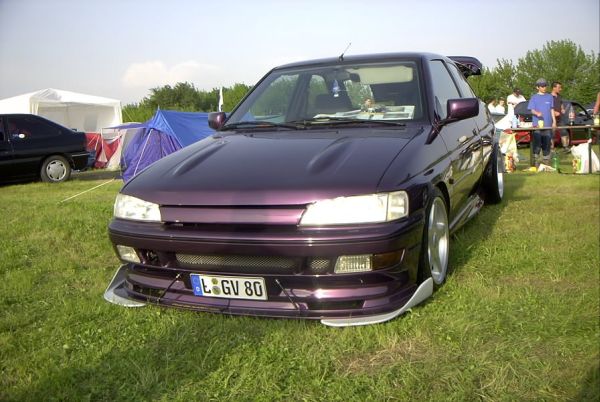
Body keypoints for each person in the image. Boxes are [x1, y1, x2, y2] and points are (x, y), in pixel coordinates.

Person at [528, 79, 556, 165]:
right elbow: (531, 110)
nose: (544, 88)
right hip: (537, 125)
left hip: (548, 125)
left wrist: (554, 121)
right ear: (537, 87)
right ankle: (535, 163)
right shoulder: (534, 97)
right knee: (537, 144)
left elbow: (552, 109)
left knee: (547, 144)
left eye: (545, 86)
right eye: (542, 86)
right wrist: (537, 113)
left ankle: (546, 163)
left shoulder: (549, 97)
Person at [551, 81, 570, 152]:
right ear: (554, 88)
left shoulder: (559, 96)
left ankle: (565, 147)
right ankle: (551, 148)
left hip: (560, 118)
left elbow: (561, 104)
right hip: (551, 119)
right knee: (552, 133)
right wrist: (554, 112)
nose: (560, 89)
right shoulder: (549, 96)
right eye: (559, 87)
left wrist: (562, 109)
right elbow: (547, 107)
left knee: (564, 132)